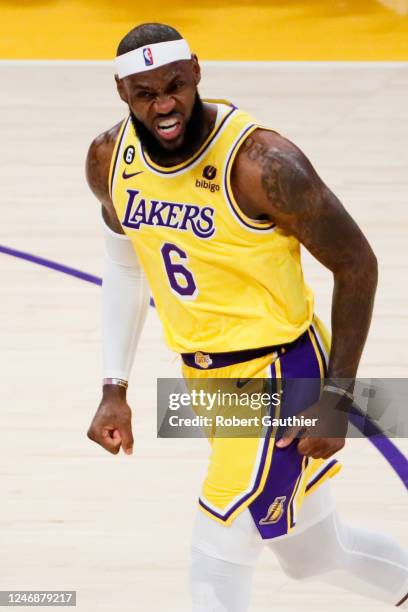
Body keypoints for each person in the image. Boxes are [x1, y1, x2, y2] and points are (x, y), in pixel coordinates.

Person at [85, 22, 408, 611]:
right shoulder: (109, 159)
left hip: (282, 375)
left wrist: (336, 398)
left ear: (198, 73)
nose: (164, 106)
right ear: (122, 93)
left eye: (175, 86)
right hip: (208, 379)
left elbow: (357, 264)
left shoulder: (264, 164)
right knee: (314, 555)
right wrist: (115, 386)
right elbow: (126, 266)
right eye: (145, 94)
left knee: (215, 562)